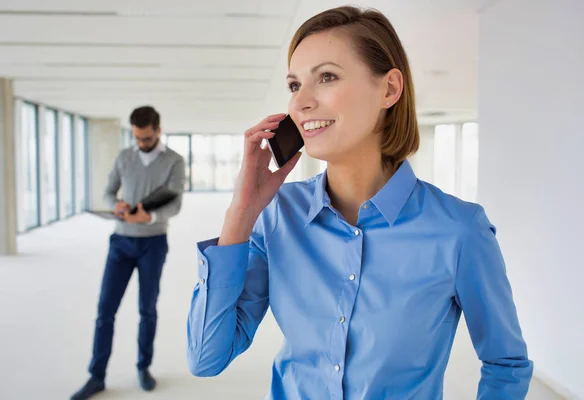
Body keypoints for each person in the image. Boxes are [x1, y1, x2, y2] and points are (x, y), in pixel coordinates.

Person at [186, 6, 533, 400]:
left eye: (327, 77)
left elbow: (506, 365)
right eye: (295, 85)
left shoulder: (459, 229)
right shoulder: (278, 215)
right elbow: (206, 358)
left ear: (389, 89)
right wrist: (241, 215)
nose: (300, 103)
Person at [72, 106, 185, 400]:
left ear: (158, 131)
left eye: (147, 138)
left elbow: (174, 205)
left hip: (153, 243)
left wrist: (147, 218)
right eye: (137, 138)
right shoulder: (125, 157)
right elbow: (109, 192)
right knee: (104, 311)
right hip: (120, 243)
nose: (142, 143)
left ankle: (143, 367)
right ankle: (96, 376)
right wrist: (117, 205)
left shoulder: (174, 161)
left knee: (147, 310)